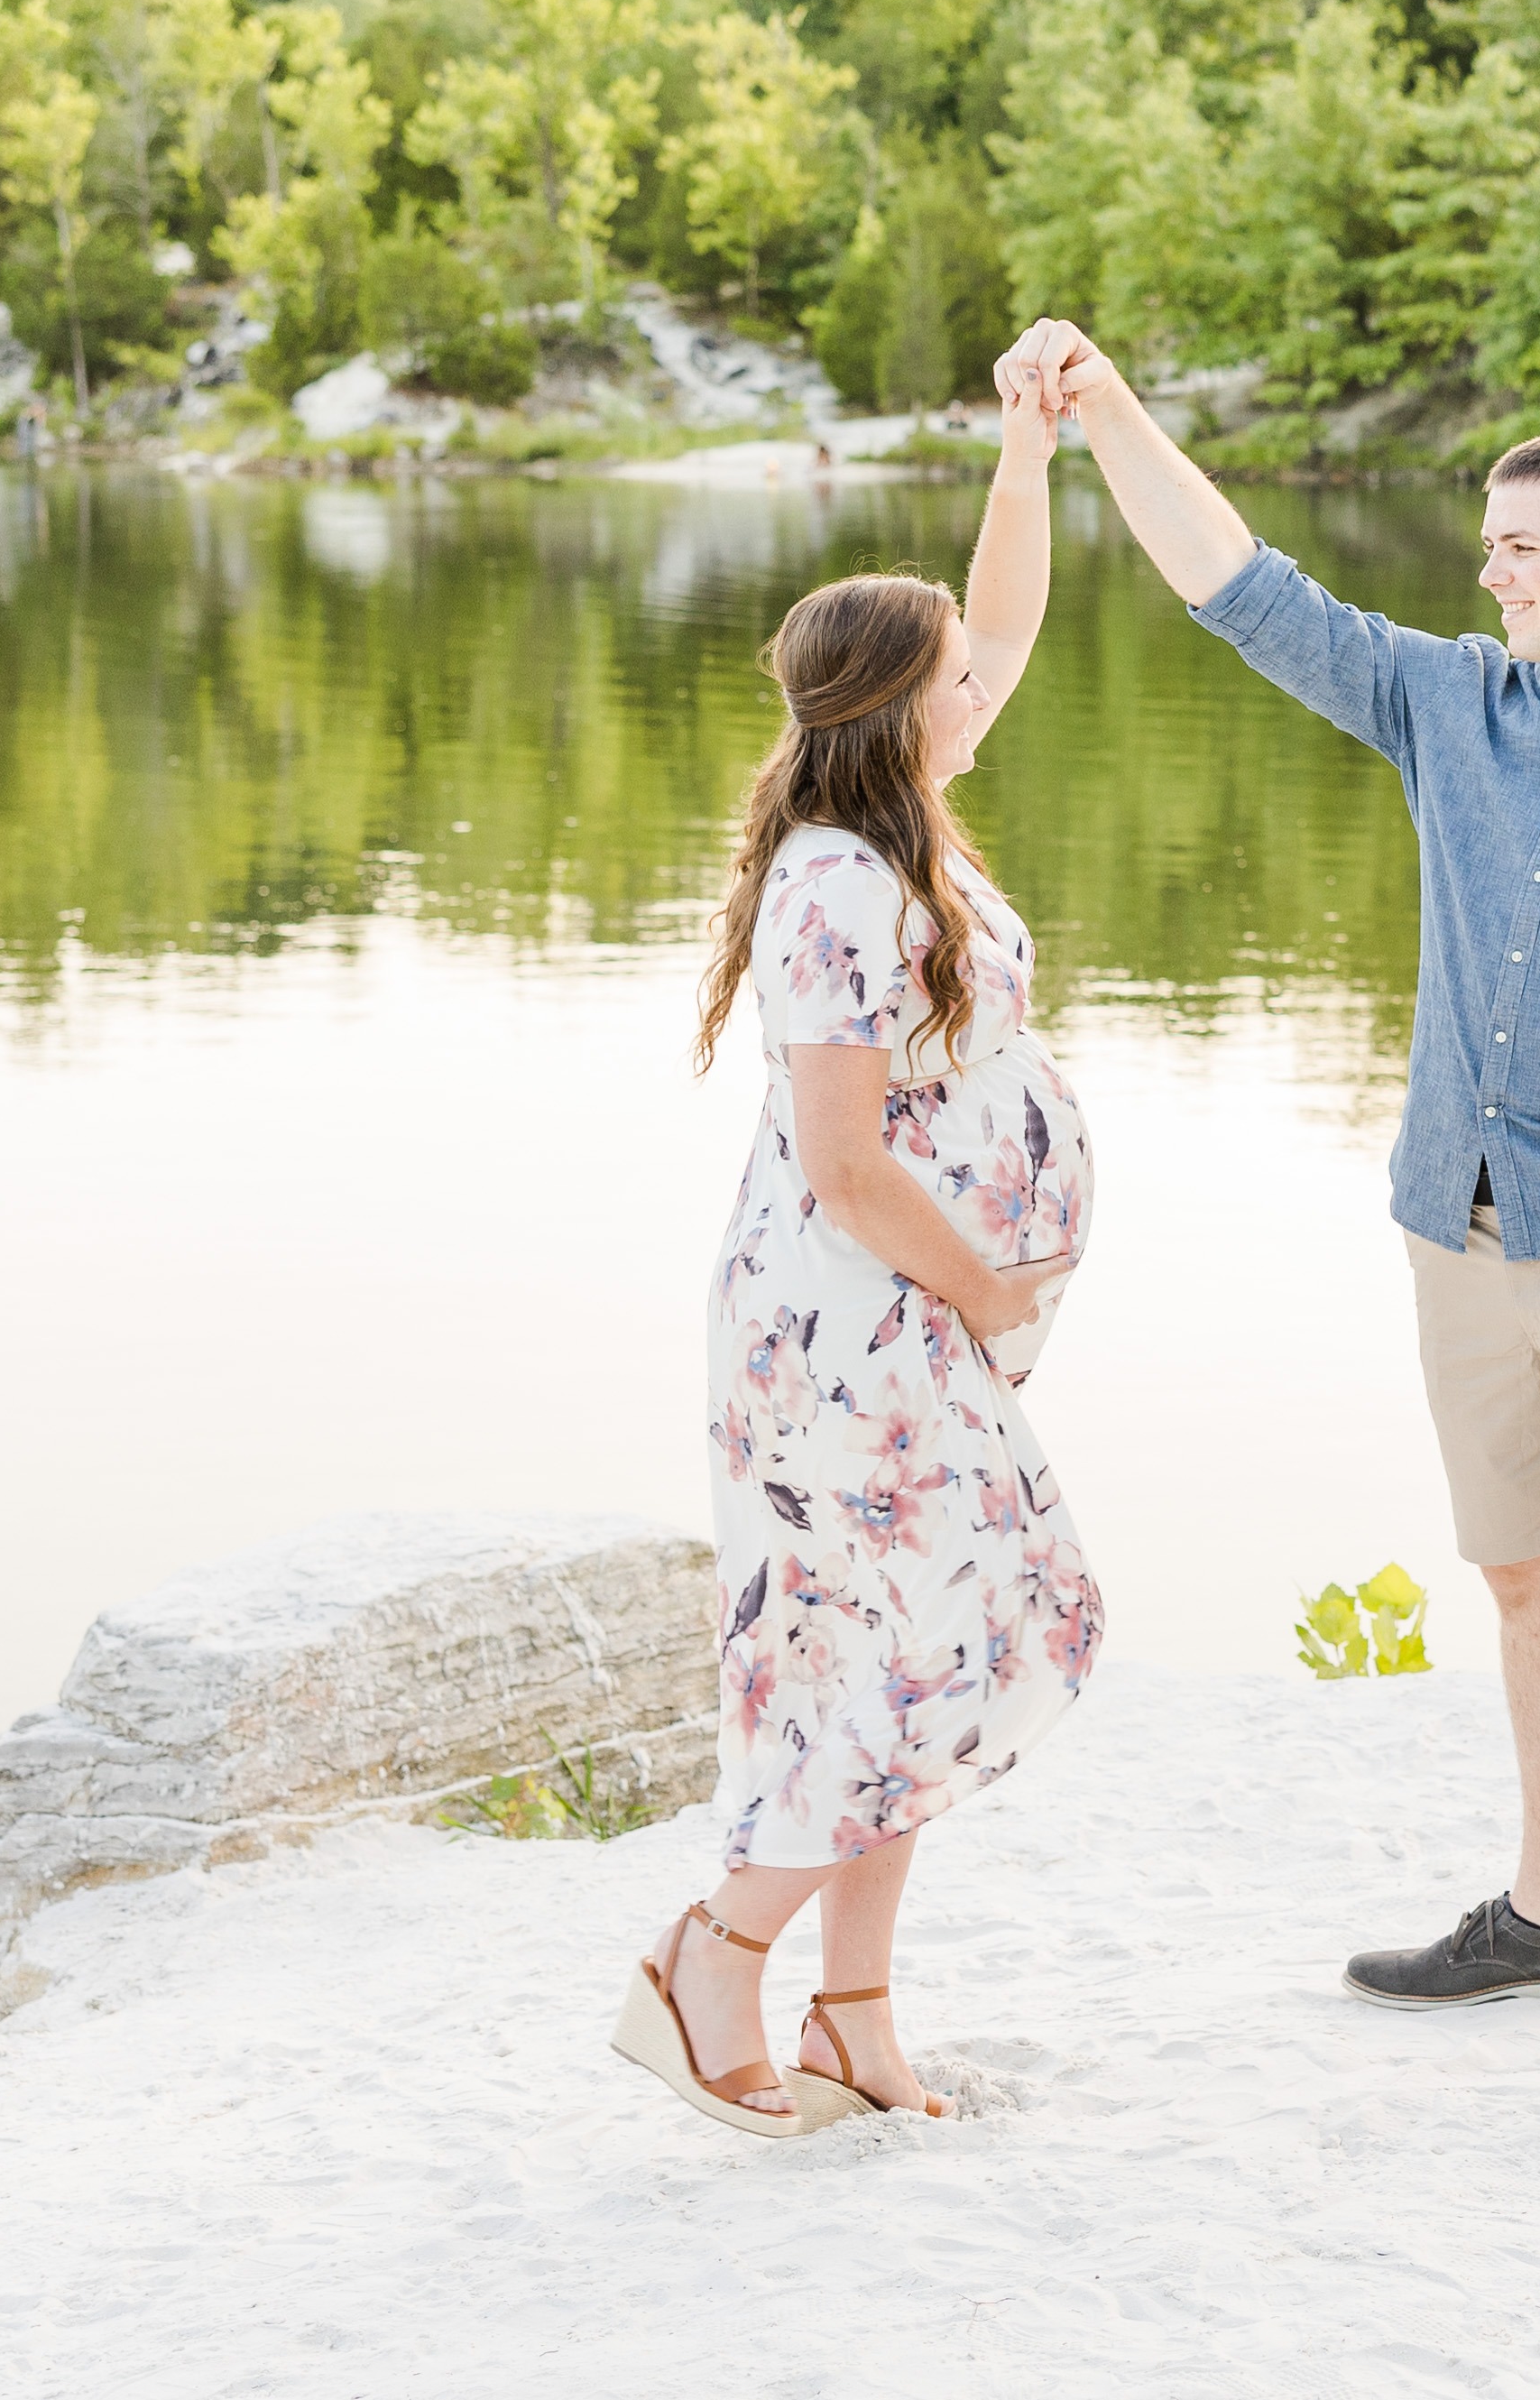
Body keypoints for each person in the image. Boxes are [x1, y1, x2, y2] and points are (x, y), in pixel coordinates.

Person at [1015, 323, 1540, 2148]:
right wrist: (1110, 414)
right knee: (1533, 1571)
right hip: (1455, 1227)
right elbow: (1244, 588)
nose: (1488, 566)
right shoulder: (1447, 702)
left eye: (1517, 541)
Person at [613, 331, 1106, 2137]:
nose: (987, 681)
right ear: (901, 705)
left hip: (908, 1321)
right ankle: (705, 1955)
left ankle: (855, 2015)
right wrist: (984, 1279)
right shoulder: (836, 879)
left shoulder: (909, 820)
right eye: (959, 675)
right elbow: (840, 1159)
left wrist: (1026, 453)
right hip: (854, 1317)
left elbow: (1005, 609)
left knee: (936, 1635)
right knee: (868, 1652)